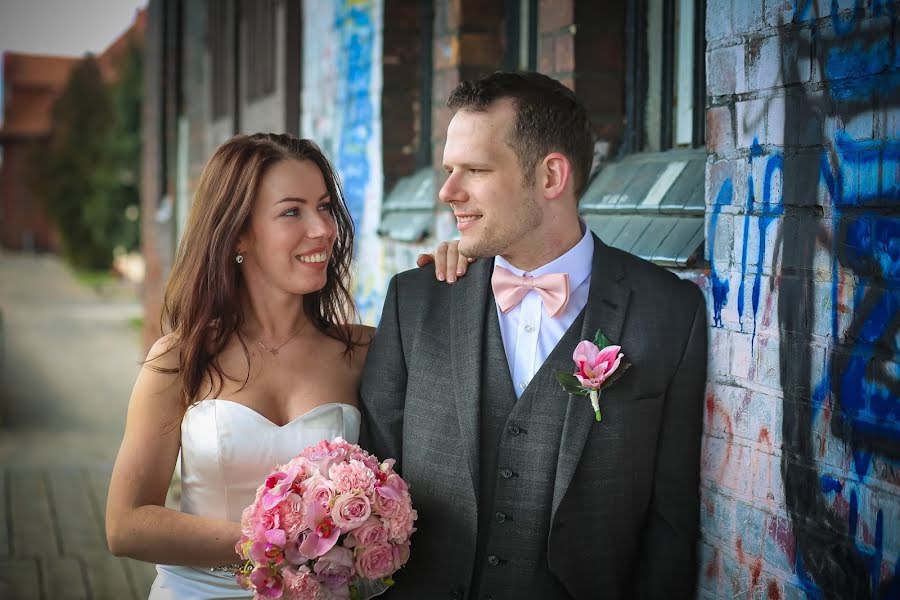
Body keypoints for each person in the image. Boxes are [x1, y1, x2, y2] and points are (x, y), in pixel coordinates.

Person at [359, 71, 708, 600]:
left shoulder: (666, 311)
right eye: (450, 169)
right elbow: (374, 478)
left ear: (550, 177)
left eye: (474, 170)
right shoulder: (416, 302)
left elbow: (670, 526)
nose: (447, 192)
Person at [104, 133, 454, 598]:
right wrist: (281, 546)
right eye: (293, 211)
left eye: (325, 207)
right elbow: (125, 525)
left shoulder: (366, 351)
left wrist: (462, 279)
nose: (323, 228)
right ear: (239, 232)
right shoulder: (181, 357)